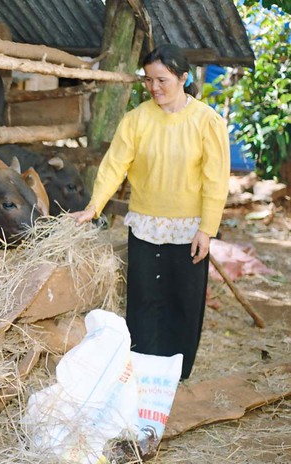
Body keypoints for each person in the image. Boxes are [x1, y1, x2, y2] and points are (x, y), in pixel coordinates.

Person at [72, 44, 230, 379]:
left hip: (189, 228)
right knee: (144, 299)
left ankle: (178, 372)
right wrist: (94, 206)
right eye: (148, 80)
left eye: (162, 80)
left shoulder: (207, 122)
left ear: (183, 78)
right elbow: (114, 166)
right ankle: (141, 366)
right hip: (145, 224)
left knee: (183, 300)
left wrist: (208, 228)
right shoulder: (137, 119)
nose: (154, 87)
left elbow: (216, 180)